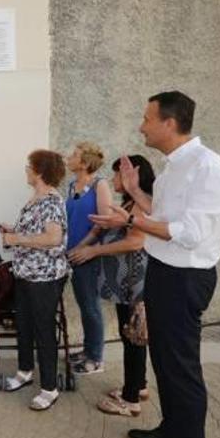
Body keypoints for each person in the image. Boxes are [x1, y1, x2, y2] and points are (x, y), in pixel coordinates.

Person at [91, 91, 220, 438]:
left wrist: (132, 222)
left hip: (185, 278)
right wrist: (136, 194)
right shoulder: (174, 167)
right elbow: (164, 214)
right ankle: (171, 431)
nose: (141, 126)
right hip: (164, 272)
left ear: (169, 123)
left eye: (147, 118)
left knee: (182, 369)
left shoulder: (208, 168)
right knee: (165, 363)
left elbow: (188, 233)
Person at [70, 155, 155, 417]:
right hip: (126, 283)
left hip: (134, 283)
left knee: (133, 337)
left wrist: (96, 251)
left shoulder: (138, 206)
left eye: (118, 175)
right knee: (133, 336)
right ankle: (138, 386)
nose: (115, 179)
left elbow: (135, 242)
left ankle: (130, 401)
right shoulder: (131, 203)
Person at [0, 149, 69, 411]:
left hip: (45, 278)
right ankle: (25, 371)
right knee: (25, 325)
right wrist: (13, 231)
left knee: (43, 330)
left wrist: (16, 239)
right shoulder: (35, 199)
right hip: (25, 273)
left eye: (29, 166)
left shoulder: (50, 201)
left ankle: (50, 388)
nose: (26, 170)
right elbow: (35, 232)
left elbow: (53, 238)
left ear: (39, 171)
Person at [64, 141, 112, 375]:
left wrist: (82, 247)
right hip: (72, 254)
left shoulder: (99, 185)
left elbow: (103, 223)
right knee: (84, 305)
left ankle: (96, 358)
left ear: (84, 163)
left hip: (88, 255)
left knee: (91, 307)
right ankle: (88, 350)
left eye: (74, 155)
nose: (69, 157)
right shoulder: (72, 185)